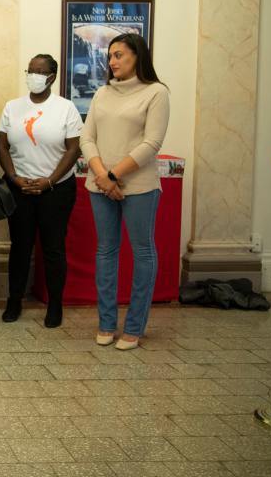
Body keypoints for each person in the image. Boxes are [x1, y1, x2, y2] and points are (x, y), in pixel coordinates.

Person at [80, 32, 169, 350]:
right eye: (111, 55)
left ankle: (134, 326)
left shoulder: (156, 92)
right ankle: (106, 323)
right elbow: (86, 137)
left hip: (140, 187)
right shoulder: (103, 93)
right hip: (100, 185)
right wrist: (103, 176)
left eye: (119, 55)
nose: (113, 61)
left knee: (143, 252)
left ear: (137, 56)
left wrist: (115, 175)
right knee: (106, 252)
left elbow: (152, 143)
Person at [0, 54, 83, 328]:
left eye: (40, 71)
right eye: (30, 70)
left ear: (52, 77)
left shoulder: (65, 108)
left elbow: (74, 148)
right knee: (20, 247)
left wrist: (50, 180)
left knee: (53, 248)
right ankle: (14, 300)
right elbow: (1, 146)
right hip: (19, 187)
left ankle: (55, 305)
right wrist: (13, 177)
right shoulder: (12, 106)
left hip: (56, 189)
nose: (33, 75)